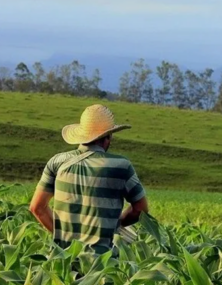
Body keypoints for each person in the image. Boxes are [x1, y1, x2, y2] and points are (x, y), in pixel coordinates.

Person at [29, 104, 149, 255]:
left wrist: (63, 238)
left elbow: (37, 208)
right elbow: (141, 209)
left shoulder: (57, 162)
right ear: (108, 137)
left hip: (63, 260)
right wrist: (115, 225)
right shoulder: (121, 166)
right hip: (103, 263)